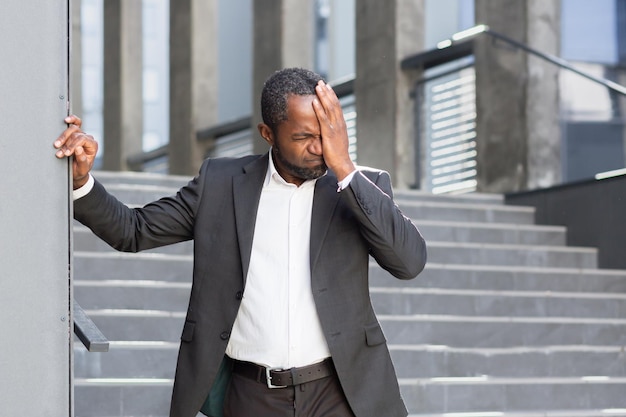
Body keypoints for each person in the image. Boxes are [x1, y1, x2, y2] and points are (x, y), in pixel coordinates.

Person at [54, 67, 427, 417]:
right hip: (252, 395)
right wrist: (80, 182)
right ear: (268, 134)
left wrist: (345, 167)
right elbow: (132, 230)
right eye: (303, 137)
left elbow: (409, 262)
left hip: (340, 393)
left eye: (325, 134)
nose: (319, 148)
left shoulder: (360, 187)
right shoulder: (221, 184)